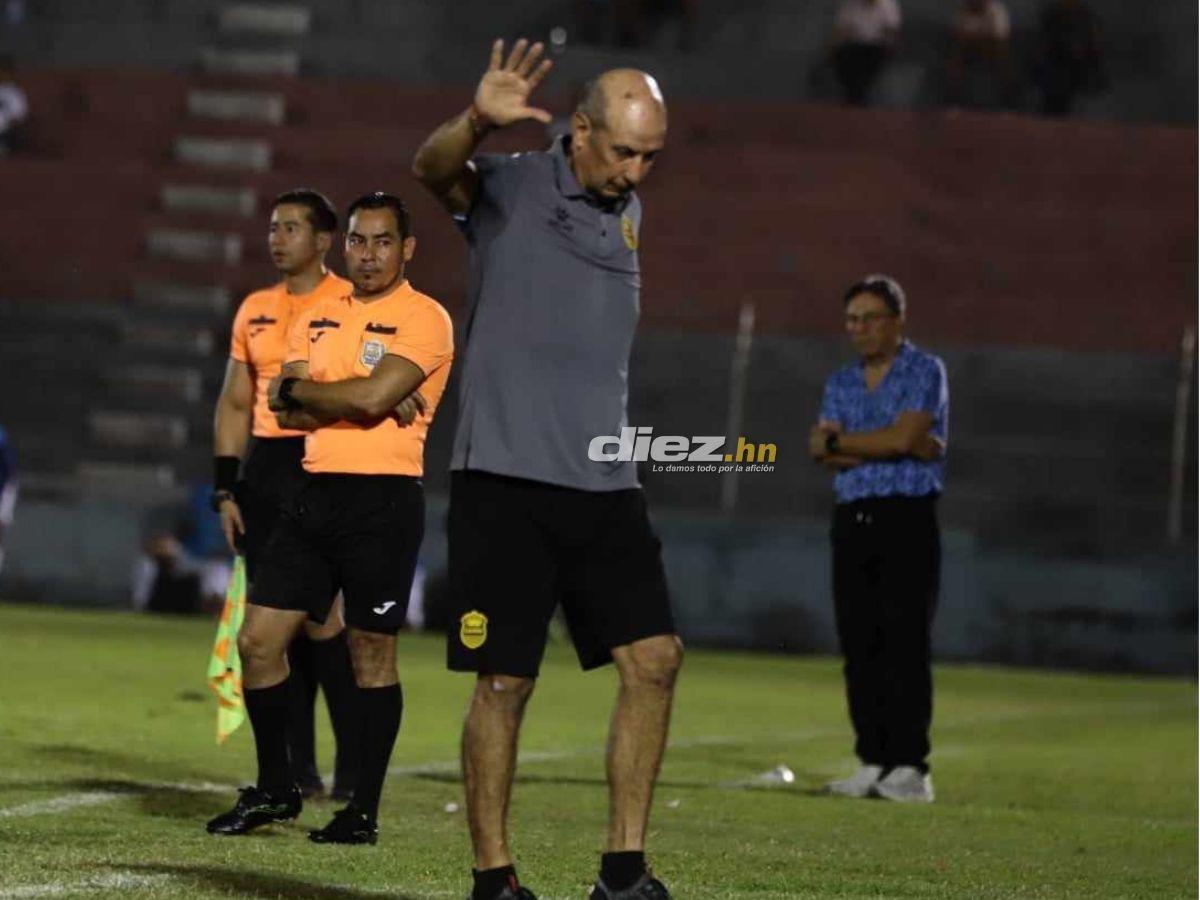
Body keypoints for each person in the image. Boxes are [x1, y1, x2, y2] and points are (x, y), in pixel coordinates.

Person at [413, 39, 682, 900]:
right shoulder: (514, 185)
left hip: (604, 483)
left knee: (656, 659)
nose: (637, 170)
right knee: (504, 680)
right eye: (625, 151)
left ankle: (623, 874)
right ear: (580, 130)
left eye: (651, 155)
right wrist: (473, 121)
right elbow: (434, 169)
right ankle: (494, 880)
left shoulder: (627, 207)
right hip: (505, 480)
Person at [205, 192, 454, 845]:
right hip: (314, 493)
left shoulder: (426, 318)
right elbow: (284, 407)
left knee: (371, 653)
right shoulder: (315, 315)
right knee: (258, 642)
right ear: (342, 245)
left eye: (381, 242)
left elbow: (364, 396)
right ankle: (277, 787)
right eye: (358, 241)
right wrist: (351, 399)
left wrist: (330, 393)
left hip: (384, 499)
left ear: (407, 249)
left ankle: (361, 810)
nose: (368, 255)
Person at [211, 189, 359, 801]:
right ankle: (297, 768)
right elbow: (236, 401)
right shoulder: (254, 309)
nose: (277, 238)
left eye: (292, 228)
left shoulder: (350, 305)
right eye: (274, 228)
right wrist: (225, 487)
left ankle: (355, 767)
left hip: (327, 463)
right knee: (277, 627)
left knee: (327, 623)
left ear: (324, 241)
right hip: (269, 470)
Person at [808, 275, 948, 804]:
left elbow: (905, 437)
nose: (859, 329)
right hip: (853, 516)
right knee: (859, 642)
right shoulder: (841, 380)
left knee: (904, 641)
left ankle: (910, 766)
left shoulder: (924, 370)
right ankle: (872, 758)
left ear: (897, 321)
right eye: (852, 320)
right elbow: (822, 450)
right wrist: (888, 445)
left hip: (906, 517)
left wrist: (852, 442)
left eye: (870, 318)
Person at [1034, 0, 1105, 116]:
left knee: (1071, 109)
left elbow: (1093, 43)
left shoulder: (1084, 16)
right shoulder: (1053, 14)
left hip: (1075, 70)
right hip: (1056, 69)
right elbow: (1043, 43)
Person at [829, 0, 901, 106]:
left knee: (869, 61)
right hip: (854, 45)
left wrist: (887, 40)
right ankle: (855, 96)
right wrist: (834, 45)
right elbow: (842, 29)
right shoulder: (851, 5)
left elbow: (892, 30)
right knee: (842, 57)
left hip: (877, 45)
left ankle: (858, 98)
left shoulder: (887, 5)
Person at [947, 0, 1016, 108]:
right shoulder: (963, 10)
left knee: (1004, 59)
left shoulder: (996, 11)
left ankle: (1007, 101)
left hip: (992, 52)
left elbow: (999, 40)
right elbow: (959, 40)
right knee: (956, 59)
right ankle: (955, 100)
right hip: (970, 52)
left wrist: (977, 39)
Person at [0, 55, 28, 156]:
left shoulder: (15, 93)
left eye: (3, 71)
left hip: (6, 134)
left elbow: (19, 117)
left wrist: (7, 127)